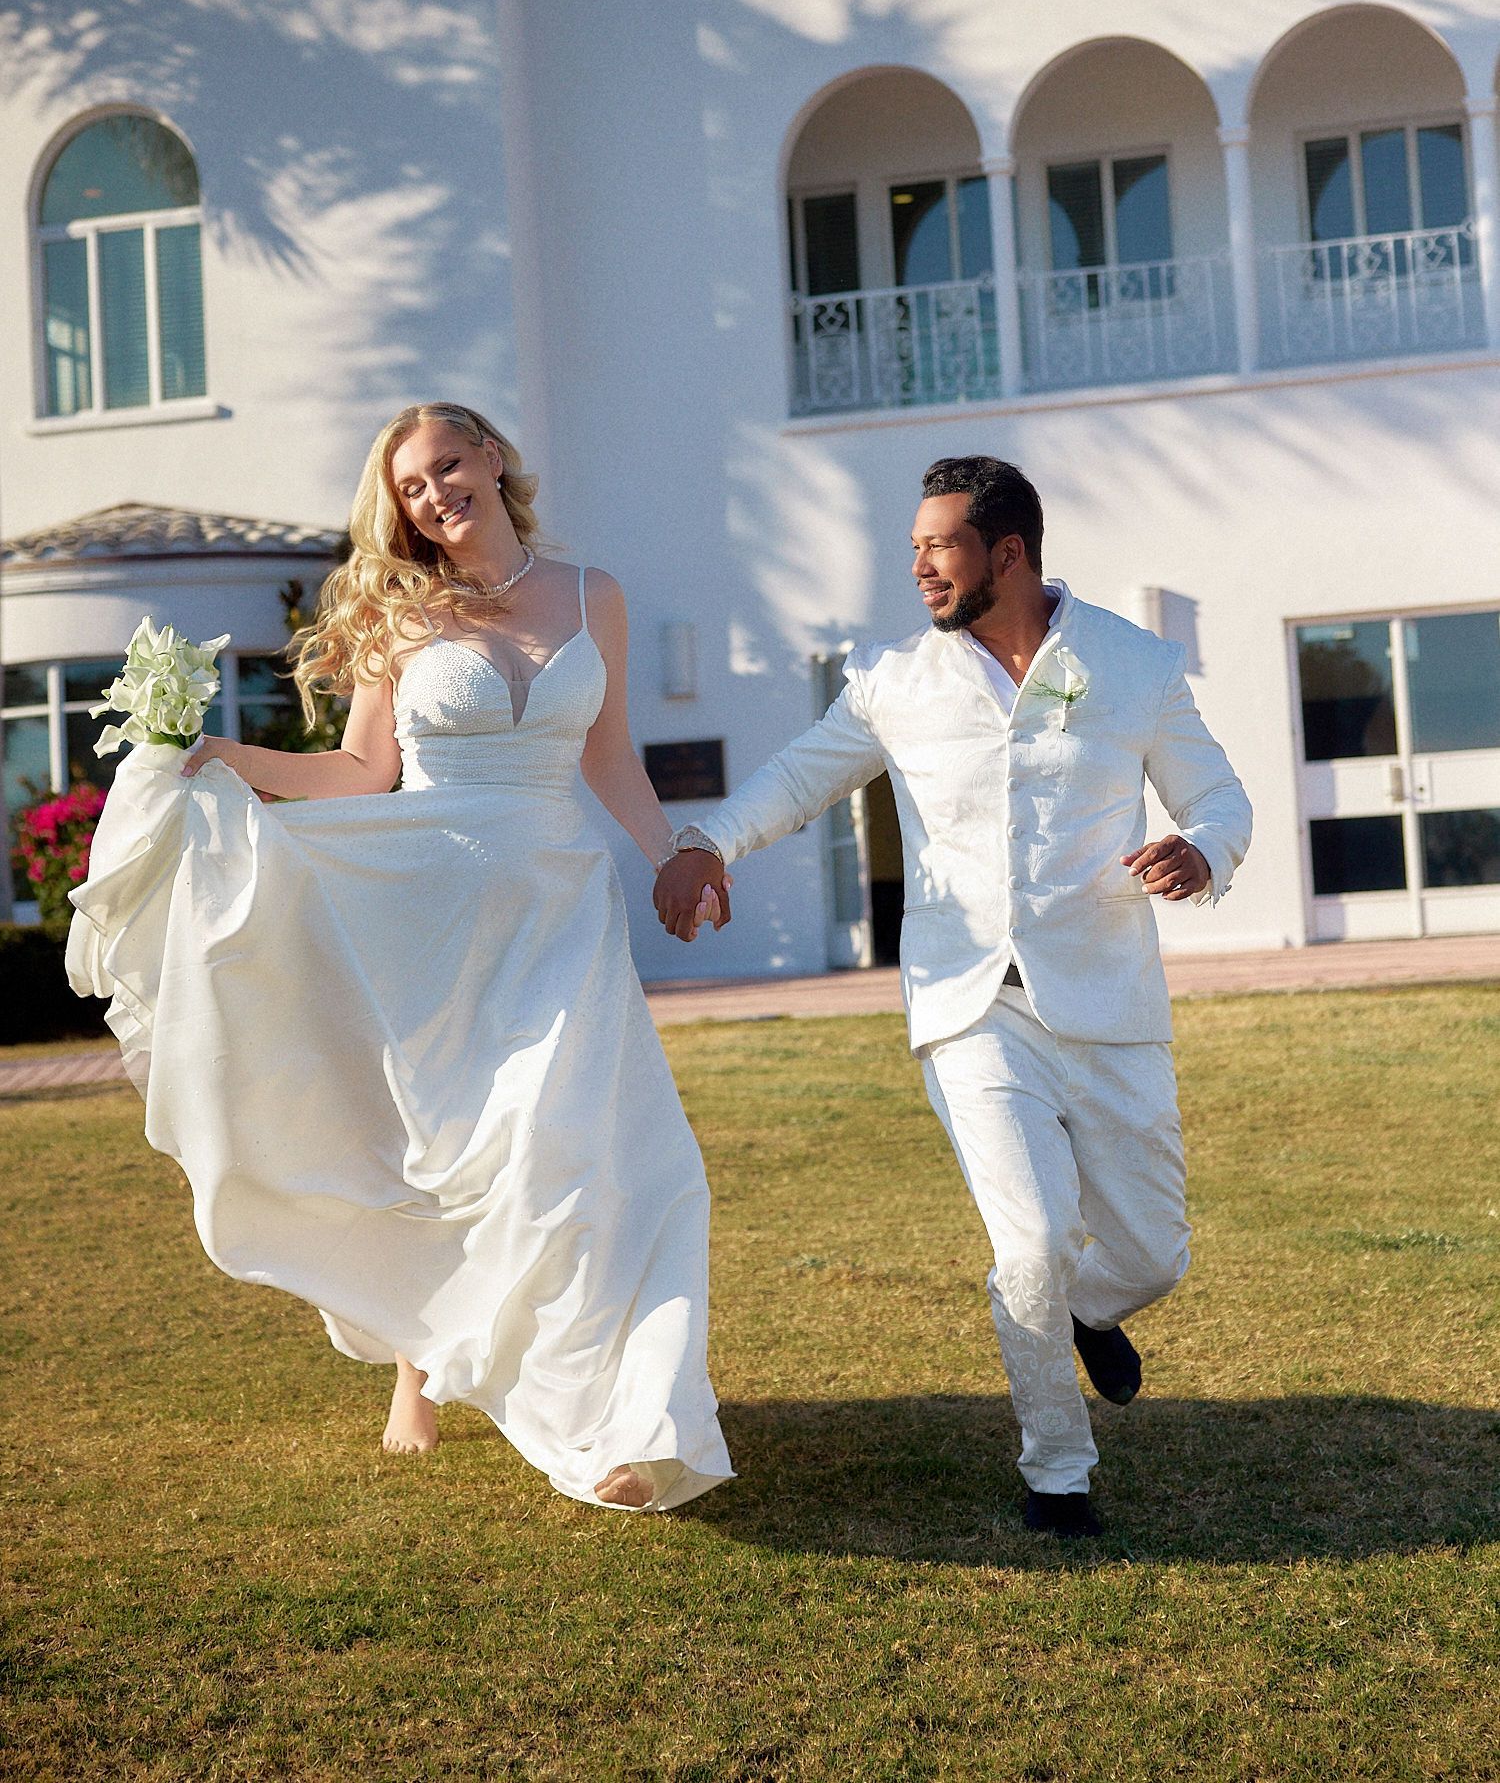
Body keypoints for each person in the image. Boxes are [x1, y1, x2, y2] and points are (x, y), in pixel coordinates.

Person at [68, 402, 731, 1514]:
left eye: (448, 466)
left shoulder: (593, 595)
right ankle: (419, 1367)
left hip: (563, 909)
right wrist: (221, 754)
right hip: (428, 908)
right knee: (439, 1146)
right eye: (413, 486)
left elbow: (610, 755)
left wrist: (681, 848)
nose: (434, 495)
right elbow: (361, 771)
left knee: (572, 1158)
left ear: (494, 459)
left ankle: (619, 1424)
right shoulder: (399, 614)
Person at [655, 455, 1250, 1538]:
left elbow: (1217, 793)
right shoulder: (894, 677)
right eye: (917, 543)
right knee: (1026, 1244)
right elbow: (796, 777)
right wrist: (704, 839)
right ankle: (1057, 1472)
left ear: (1009, 552)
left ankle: (1086, 1309)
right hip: (969, 1006)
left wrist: (1203, 849)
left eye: (940, 543)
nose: (918, 563)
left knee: (1154, 1252)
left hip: (1107, 997)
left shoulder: (1133, 661)